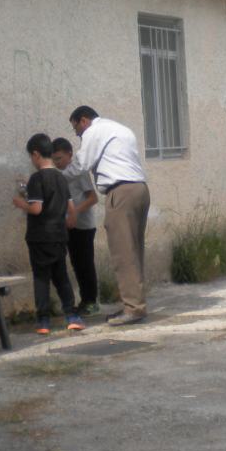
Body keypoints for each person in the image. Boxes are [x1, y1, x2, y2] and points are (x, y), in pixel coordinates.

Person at [69, 105, 150, 326]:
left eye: (76, 129)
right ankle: (135, 304)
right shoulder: (119, 128)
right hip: (140, 189)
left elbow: (81, 164)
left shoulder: (93, 131)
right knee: (134, 251)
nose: (78, 135)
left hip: (120, 192)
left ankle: (133, 309)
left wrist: (55, 176)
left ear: (83, 120)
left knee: (123, 253)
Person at [13, 134, 81, 334]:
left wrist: (21, 203)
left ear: (36, 154)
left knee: (41, 278)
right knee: (61, 276)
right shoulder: (61, 177)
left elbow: (36, 209)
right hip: (59, 235)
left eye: (31, 157)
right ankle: (72, 315)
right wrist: (69, 221)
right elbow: (71, 207)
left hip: (40, 237)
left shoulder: (37, 178)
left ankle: (43, 321)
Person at [50, 137, 100, 316]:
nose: (57, 163)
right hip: (69, 226)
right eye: (54, 160)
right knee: (76, 263)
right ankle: (84, 300)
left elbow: (93, 198)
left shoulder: (80, 173)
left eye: (59, 158)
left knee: (85, 263)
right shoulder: (60, 176)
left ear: (70, 154)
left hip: (84, 226)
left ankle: (91, 301)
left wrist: (74, 212)